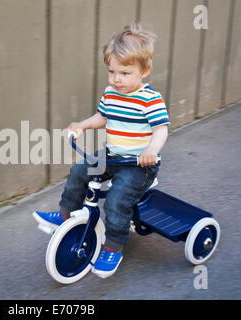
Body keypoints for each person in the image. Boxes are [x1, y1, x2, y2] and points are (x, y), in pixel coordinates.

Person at [33, 22, 170, 278]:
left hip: (139, 165)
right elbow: (102, 117)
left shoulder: (150, 99)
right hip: (112, 156)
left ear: (145, 70)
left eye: (125, 73)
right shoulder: (111, 93)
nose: (117, 79)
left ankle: (113, 247)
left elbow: (161, 128)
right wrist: (83, 125)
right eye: (112, 72)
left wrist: (152, 148)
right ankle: (65, 216)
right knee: (80, 170)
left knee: (117, 200)